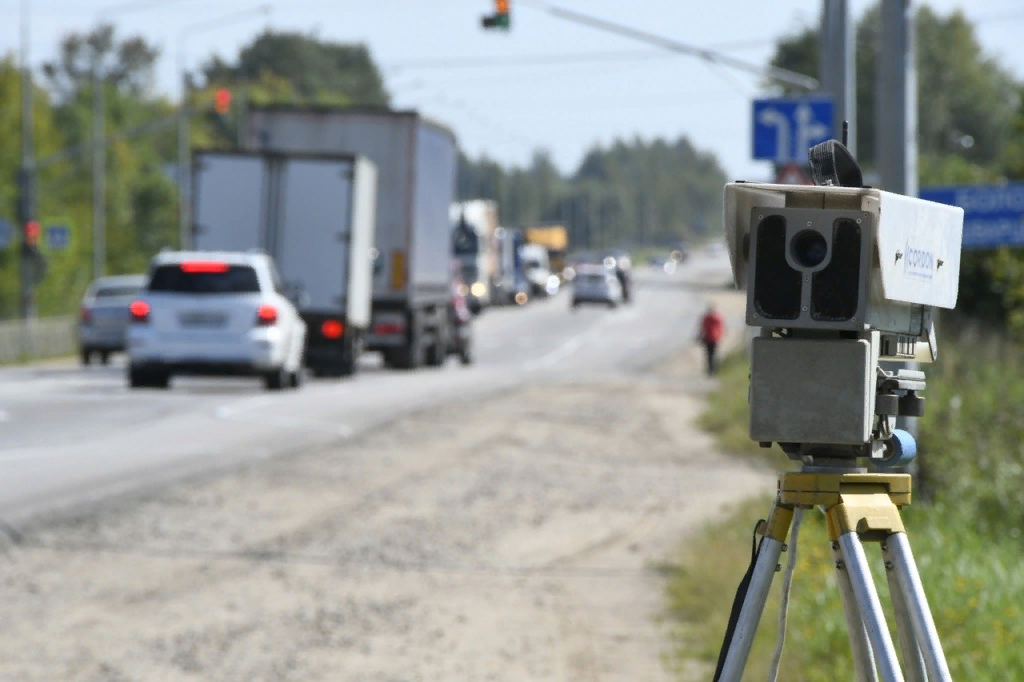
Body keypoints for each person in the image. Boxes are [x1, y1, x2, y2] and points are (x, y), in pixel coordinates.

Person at [698, 304, 725, 376]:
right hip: (715, 338)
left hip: (708, 338)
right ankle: (714, 370)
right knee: (714, 354)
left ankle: (710, 370)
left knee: (709, 355)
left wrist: (700, 336)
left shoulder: (706, 318)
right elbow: (721, 328)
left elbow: (702, 328)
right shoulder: (718, 318)